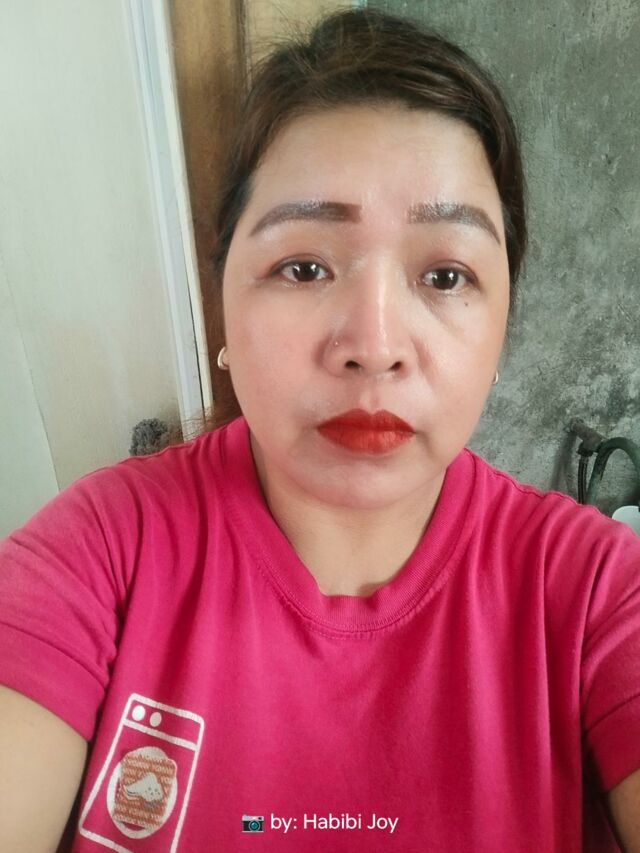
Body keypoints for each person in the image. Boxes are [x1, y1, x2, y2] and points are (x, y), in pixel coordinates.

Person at [1, 7, 640, 852]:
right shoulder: (98, 553)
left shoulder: (597, 593)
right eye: (303, 267)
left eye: (446, 275)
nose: (373, 345)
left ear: (501, 332)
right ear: (222, 304)